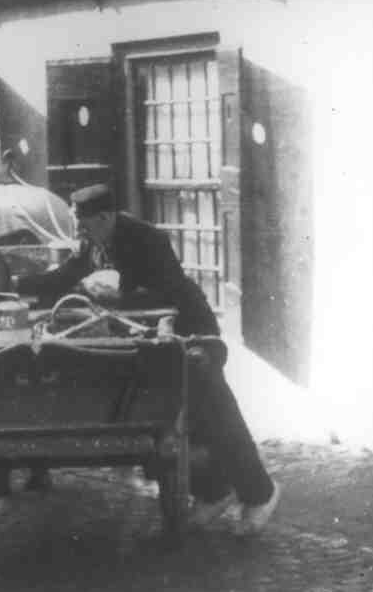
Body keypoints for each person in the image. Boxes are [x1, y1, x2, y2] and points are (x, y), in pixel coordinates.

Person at [15, 184, 280, 536]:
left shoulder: (147, 239)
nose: (79, 232)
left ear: (104, 218)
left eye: (83, 224)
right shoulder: (94, 241)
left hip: (190, 332)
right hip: (150, 333)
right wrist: (16, 284)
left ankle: (260, 493)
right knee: (171, 416)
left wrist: (112, 296)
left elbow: (165, 293)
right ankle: (214, 491)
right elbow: (66, 275)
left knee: (216, 411)